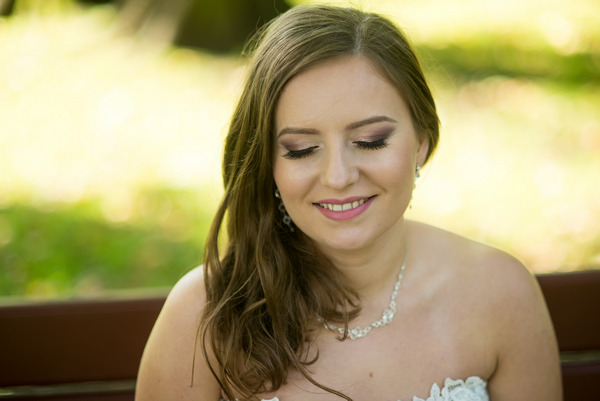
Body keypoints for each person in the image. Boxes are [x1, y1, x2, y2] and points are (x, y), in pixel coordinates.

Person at [135, 4, 562, 401]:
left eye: (369, 141)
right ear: (267, 163)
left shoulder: (499, 293)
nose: (338, 177)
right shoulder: (202, 316)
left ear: (421, 142)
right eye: (302, 149)